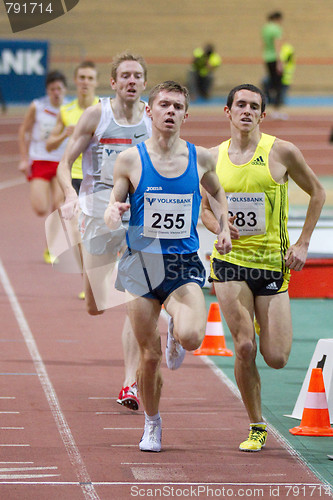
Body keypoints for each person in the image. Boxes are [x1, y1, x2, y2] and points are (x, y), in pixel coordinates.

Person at [104, 80, 232, 452]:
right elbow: (113, 211)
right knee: (149, 356)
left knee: (193, 337)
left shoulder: (201, 157)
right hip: (139, 266)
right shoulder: (130, 159)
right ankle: (152, 423)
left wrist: (223, 227)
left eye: (178, 107)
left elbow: (218, 194)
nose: (171, 112)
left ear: (186, 116)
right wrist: (115, 212)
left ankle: (176, 328)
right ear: (150, 111)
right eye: (164, 105)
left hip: (181, 265)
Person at [201, 83, 326, 452]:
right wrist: (221, 228)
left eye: (254, 106)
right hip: (230, 264)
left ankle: (260, 319)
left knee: (276, 357)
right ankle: (257, 425)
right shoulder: (211, 158)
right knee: (243, 347)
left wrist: (303, 243)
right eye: (240, 104)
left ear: (262, 114)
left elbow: (318, 192)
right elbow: (205, 210)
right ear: (227, 111)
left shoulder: (281, 151)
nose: (246, 111)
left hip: (273, 265)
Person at [56, 52, 152, 410]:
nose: (130, 81)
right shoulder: (97, 114)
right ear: (113, 83)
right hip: (97, 212)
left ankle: (130, 384)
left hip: (139, 214)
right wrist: (68, 194)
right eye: (124, 75)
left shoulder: (153, 117)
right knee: (95, 305)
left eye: (137, 76)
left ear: (144, 83)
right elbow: (65, 163)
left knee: (134, 296)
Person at [47, 60, 99, 298]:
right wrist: (62, 136)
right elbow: (49, 144)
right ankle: (88, 284)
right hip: (75, 178)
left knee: (99, 234)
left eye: (90, 78)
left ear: (96, 82)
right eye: (82, 78)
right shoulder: (66, 112)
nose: (85, 82)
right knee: (78, 235)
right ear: (76, 82)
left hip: (99, 178)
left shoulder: (104, 110)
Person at [18, 70, 68, 263]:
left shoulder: (70, 108)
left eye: (59, 89)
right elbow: (23, 131)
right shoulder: (37, 106)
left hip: (61, 161)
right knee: (40, 208)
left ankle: (51, 248)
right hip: (39, 159)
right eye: (52, 89)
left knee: (58, 207)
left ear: (64, 90)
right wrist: (24, 159)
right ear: (47, 90)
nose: (56, 92)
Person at [261, 11, 284, 118]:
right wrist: (280, 62)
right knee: (278, 85)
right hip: (274, 58)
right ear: (277, 19)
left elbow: (264, 44)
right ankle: (276, 110)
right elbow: (277, 45)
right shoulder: (276, 29)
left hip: (267, 57)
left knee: (271, 83)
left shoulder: (265, 28)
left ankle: (270, 106)